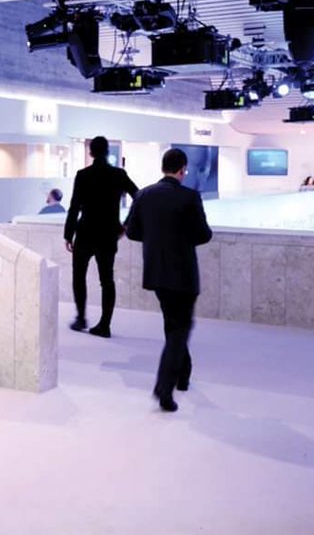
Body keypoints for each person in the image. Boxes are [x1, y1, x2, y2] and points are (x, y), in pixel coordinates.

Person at [125, 148, 213, 413]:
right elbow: (203, 234)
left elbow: (132, 231)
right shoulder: (190, 197)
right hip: (183, 273)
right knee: (179, 329)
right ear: (182, 169)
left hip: (156, 272)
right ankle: (165, 387)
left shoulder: (144, 195)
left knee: (173, 324)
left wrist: (156, 238)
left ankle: (184, 375)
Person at [64, 136, 139, 337]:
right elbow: (138, 197)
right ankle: (105, 325)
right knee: (107, 280)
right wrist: (125, 224)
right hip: (108, 234)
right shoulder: (118, 174)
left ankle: (81, 318)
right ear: (107, 151)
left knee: (79, 276)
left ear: (91, 152)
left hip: (85, 233)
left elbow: (74, 207)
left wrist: (68, 234)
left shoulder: (83, 175)